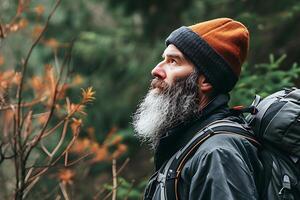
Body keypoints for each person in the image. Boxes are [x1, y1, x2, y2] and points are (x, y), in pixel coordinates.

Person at [132, 18, 262, 200]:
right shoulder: (190, 143)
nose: (156, 70)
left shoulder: (218, 153)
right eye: (164, 59)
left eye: (173, 61)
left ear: (206, 81)